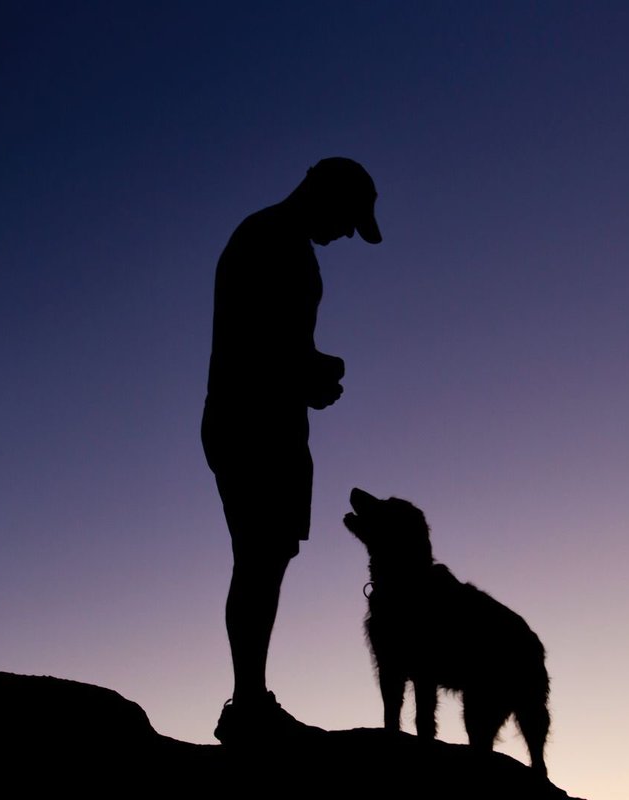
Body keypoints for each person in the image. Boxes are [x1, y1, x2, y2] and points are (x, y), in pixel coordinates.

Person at [201, 157, 382, 742]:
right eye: (348, 219)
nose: (347, 233)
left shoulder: (277, 241)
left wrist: (312, 372)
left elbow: (273, 344)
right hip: (252, 424)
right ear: (323, 193)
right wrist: (310, 373)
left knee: (266, 557)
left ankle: (250, 698)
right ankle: (248, 703)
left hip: (262, 421)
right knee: (259, 558)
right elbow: (259, 345)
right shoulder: (271, 240)